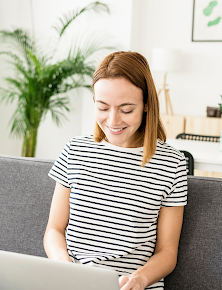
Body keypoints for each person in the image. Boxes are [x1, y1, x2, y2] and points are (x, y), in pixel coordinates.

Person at [44, 51, 188, 290]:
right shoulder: (75, 150)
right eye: (102, 107)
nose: (113, 121)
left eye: (126, 109)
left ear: (146, 105)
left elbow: (167, 251)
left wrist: (140, 279)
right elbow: (54, 230)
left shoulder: (171, 163)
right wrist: (64, 267)